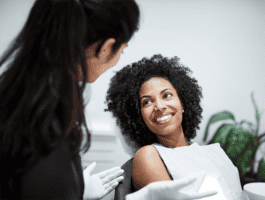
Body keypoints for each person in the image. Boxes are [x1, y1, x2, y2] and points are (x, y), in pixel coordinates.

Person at [0, 0, 217, 199]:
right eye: (122, 51)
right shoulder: (45, 124)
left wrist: (76, 189)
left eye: (167, 95)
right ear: (105, 48)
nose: (160, 106)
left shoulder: (23, 98)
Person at [104, 54, 251, 200]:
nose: (160, 107)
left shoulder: (215, 152)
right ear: (138, 116)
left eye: (167, 95)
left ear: (182, 103)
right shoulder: (148, 155)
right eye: (147, 102)